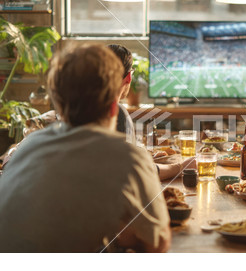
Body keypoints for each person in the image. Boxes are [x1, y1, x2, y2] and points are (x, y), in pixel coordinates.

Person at [0, 44, 171, 252]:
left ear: (59, 103)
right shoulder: (128, 158)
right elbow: (158, 244)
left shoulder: (27, 147)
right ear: (113, 104)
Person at [107, 44, 195, 180]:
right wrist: (181, 167)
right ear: (129, 77)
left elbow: (112, 160)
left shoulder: (79, 109)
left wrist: (143, 156)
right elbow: (134, 173)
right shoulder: (116, 112)